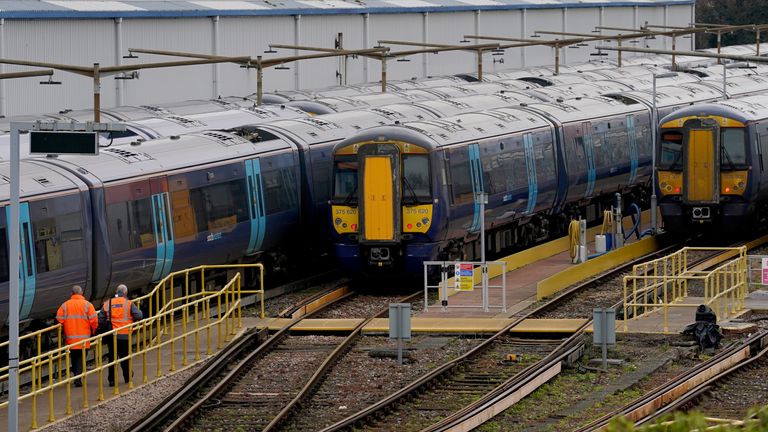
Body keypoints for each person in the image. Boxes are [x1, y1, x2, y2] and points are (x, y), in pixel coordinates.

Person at [99, 284, 143, 386]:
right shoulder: (128, 303)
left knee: (112, 358)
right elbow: (139, 316)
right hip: (124, 335)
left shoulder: (107, 303)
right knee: (125, 356)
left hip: (111, 335)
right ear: (125, 293)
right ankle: (127, 377)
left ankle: (112, 380)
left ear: (116, 291)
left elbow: (100, 320)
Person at [56, 285, 98, 387]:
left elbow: (59, 319)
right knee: (81, 358)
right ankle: (77, 379)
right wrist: (94, 331)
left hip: (71, 339)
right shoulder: (88, 305)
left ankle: (75, 375)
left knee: (74, 358)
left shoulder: (65, 305)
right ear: (81, 293)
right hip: (84, 339)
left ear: (72, 293)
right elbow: (94, 321)